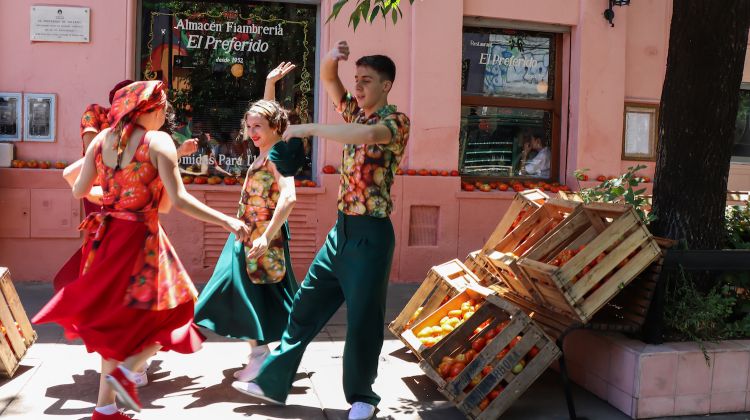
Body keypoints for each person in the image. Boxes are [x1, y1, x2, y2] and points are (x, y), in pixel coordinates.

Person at [33, 81, 250, 420]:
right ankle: (126, 373)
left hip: (105, 241)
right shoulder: (159, 142)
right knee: (179, 313)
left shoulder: (102, 141)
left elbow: (78, 189)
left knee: (114, 323)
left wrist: (113, 196)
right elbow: (178, 200)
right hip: (142, 241)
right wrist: (228, 221)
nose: (165, 114)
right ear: (149, 110)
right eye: (163, 108)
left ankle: (106, 407)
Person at [232, 41, 410, 420]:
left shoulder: (394, 122)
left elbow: (366, 138)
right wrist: (332, 58)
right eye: (357, 80)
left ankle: (363, 398)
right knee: (305, 307)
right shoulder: (354, 112)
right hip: (340, 233)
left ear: (387, 85)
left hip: (371, 236)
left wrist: (309, 128)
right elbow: (329, 78)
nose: (358, 87)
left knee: (363, 320)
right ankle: (272, 380)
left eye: (367, 81)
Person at [194, 62, 305, 383]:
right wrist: (269, 84)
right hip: (246, 232)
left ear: (275, 128)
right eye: (250, 126)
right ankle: (272, 353)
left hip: (260, 236)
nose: (253, 132)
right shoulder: (265, 149)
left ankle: (261, 356)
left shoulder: (277, 155)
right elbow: (268, 114)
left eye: (258, 127)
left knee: (243, 292)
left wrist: (266, 236)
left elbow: (289, 198)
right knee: (263, 295)